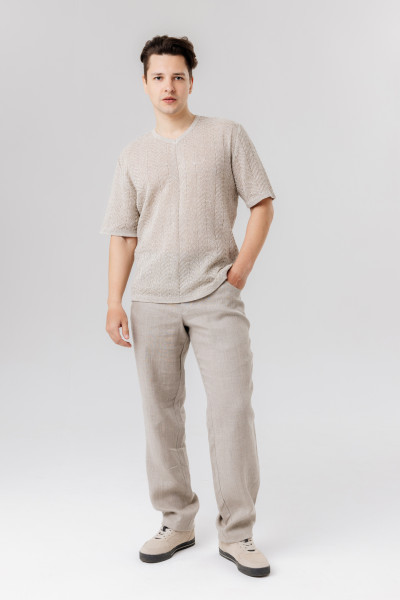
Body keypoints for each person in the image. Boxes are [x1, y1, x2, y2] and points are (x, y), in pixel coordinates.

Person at [99, 34, 276, 578]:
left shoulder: (226, 136)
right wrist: (114, 302)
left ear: (191, 81)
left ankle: (238, 532)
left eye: (177, 76)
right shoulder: (133, 155)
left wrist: (240, 271)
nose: (168, 86)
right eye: (158, 77)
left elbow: (262, 203)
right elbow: (123, 235)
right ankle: (176, 520)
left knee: (231, 410)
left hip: (214, 294)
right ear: (144, 84)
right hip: (151, 300)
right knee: (161, 413)